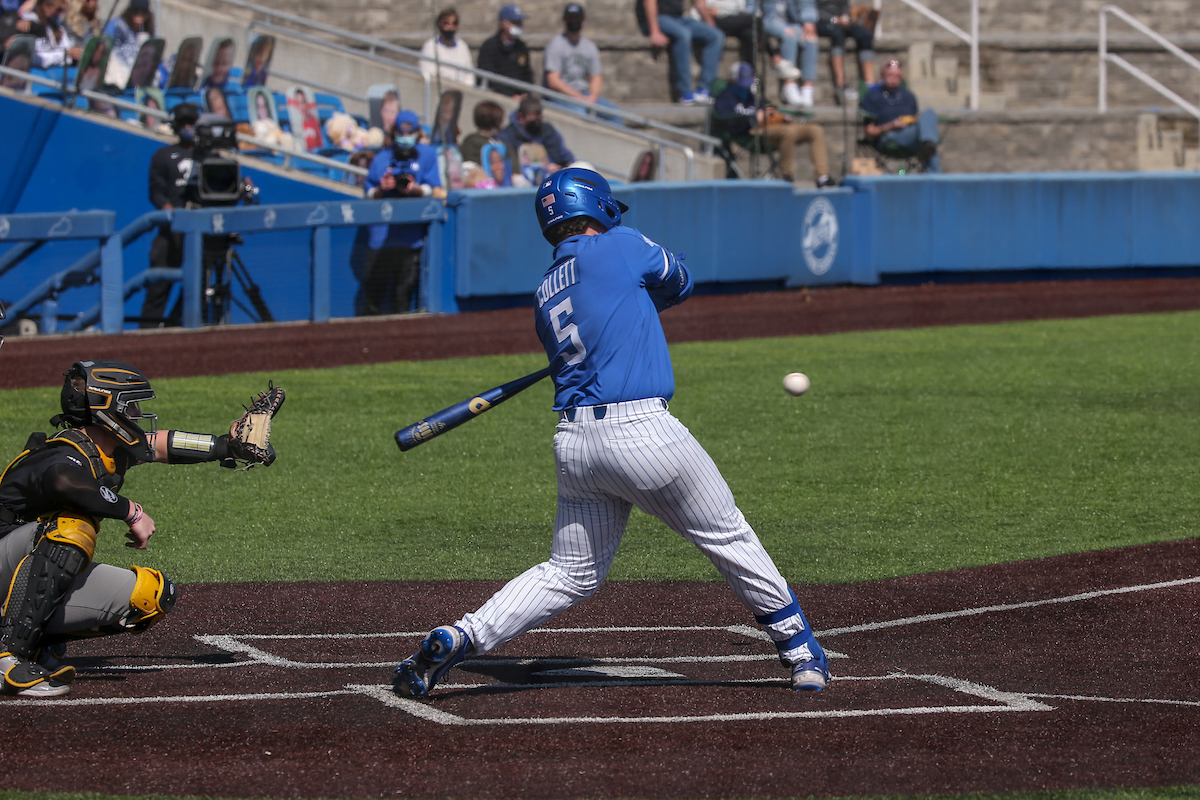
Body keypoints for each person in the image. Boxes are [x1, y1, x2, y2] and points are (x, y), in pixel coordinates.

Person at [392, 167, 831, 699]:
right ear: (598, 206)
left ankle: (460, 636)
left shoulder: (545, 289)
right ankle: (801, 650)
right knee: (727, 535)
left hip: (576, 447)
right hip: (643, 435)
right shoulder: (622, 243)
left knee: (569, 572)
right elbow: (680, 281)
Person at [0, 360, 274, 697]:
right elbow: (63, 483)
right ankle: (9, 657)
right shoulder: (61, 453)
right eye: (130, 405)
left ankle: (39, 643)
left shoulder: (108, 450)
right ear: (106, 409)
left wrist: (225, 446)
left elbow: (160, 444)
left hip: (17, 580)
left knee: (151, 596)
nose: (137, 412)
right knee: (74, 525)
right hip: (5, 563)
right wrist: (130, 511)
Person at [361, 109, 441, 315]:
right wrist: (382, 188)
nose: (405, 138)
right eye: (401, 133)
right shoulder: (381, 159)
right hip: (382, 239)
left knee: (402, 301)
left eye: (410, 133)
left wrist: (416, 189)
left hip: (412, 238)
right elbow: (368, 193)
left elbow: (437, 190)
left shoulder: (428, 154)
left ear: (417, 132)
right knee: (372, 302)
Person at [714, 62, 832, 186]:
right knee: (788, 132)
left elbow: (764, 108)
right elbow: (723, 116)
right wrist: (754, 116)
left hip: (770, 127)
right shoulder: (725, 97)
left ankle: (823, 178)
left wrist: (775, 114)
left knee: (815, 130)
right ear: (732, 80)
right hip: (748, 132)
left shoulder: (751, 96)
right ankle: (787, 177)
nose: (745, 87)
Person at [140, 102, 199, 327]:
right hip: (170, 230)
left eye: (192, 123)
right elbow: (156, 191)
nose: (188, 128)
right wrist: (168, 210)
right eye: (184, 124)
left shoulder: (209, 158)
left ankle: (175, 326)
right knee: (158, 286)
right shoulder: (163, 155)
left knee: (201, 285)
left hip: (198, 228)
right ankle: (147, 334)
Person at [637, 0, 724, 105]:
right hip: (656, 18)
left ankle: (704, 90)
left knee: (716, 36)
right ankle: (685, 93)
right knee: (683, 35)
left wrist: (710, 24)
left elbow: (699, 2)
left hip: (677, 18)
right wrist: (654, 31)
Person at [860, 58, 939, 172]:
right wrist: (892, 125)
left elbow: (917, 118)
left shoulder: (908, 96)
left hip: (912, 132)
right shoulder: (873, 97)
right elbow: (868, 133)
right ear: (882, 75)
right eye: (890, 75)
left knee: (929, 114)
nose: (894, 78)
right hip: (890, 136)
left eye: (897, 76)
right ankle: (935, 181)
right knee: (929, 141)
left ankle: (928, 147)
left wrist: (914, 120)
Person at [543, 3, 620, 120]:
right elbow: (553, 81)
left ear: (583, 21)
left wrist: (592, 98)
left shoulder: (590, 47)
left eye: (577, 18)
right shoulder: (556, 45)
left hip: (584, 94)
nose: (574, 21)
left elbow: (596, 77)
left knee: (615, 114)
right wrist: (578, 97)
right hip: (560, 96)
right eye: (571, 18)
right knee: (581, 113)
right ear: (564, 20)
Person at [496, 96, 574, 179]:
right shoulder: (507, 136)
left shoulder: (547, 130)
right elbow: (513, 165)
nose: (538, 122)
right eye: (534, 119)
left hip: (558, 174)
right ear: (520, 117)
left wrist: (569, 165)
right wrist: (545, 169)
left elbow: (564, 153)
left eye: (539, 117)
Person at [815, 0, 874, 104]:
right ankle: (841, 84)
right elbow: (812, 11)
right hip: (823, 22)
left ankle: (870, 85)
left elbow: (845, 6)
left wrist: (845, 17)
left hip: (842, 21)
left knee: (865, 36)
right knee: (838, 34)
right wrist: (834, 20)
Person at [762, 0, 818, 108]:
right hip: (768, 20)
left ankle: (807, 87)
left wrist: (808, 21)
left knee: (810, 38)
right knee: (790, 36)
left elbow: (807, 4)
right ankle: (789, 84)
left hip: (791, 22)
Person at [475, 3, 531, 97]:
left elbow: (526, 73)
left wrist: (524, 94)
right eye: (515, 22)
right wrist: (510, 95)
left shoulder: (521, 47)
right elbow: (489, 76)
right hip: (497, 97)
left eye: (520, 22)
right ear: (503, 24)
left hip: (519, 98)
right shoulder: (490, 46)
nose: (519, 25)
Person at [419, 7, 474, 88]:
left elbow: (469, 74)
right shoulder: (430, 46)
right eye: (446, 23)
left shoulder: (462, 46)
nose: (450, 27)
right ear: (439, 24)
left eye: (454, 23)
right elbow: (428, 73)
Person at [103, 0, 152, 85]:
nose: (139, 14)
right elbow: (105, 44)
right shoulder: (117, 24)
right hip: (117, 69)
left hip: (139, 75)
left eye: (143, 11)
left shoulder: (147, 33)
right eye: (136, 10)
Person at [23, 0, 81, 68]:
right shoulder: (29, 22)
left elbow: (68, 52)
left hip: (55, 72)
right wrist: (65, 54)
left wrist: (75, 53)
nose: (60, 14)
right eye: (58, 10)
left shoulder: (57, 28)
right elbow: (37, 59)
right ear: (45, 6)